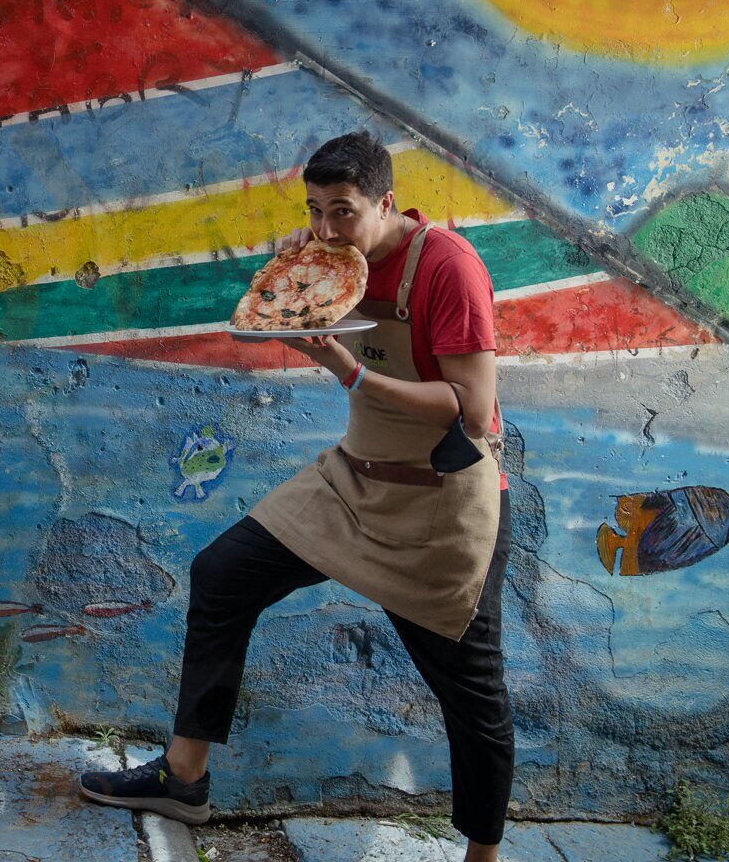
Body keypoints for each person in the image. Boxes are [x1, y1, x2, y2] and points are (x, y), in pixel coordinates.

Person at [78, 130, 514, 861]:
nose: (325, 230)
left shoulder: (448, 268)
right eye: (314, 211)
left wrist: (350, 373)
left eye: (342, 213)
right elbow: (296, 301)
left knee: (472, 696)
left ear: (385, 202)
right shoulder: (323, 261)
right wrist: (292, 288)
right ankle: (184, 779)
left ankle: (483, 856)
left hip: (442, 501)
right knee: (221, 575)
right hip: (355, 478)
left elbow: (473, 407)